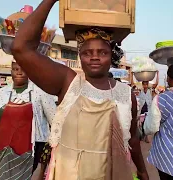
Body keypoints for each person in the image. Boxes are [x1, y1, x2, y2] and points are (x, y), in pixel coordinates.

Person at [10, 0, 148, 179]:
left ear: (111, 56)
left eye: (102, 52)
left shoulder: (126, 94)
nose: (95, 58)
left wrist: (142, 170)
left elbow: (133, 139)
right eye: (87, 53)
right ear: (80, 57)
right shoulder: (68, 82)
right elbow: (20, 48)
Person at [0, 61, 56, 179]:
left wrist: (57, 148)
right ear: (11, 71)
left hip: (30, 149)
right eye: (15, 69)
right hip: (4, 147)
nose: (19, 72)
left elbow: (55, 121)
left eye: (23, 69)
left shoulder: (40, 92)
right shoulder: (2, 93)